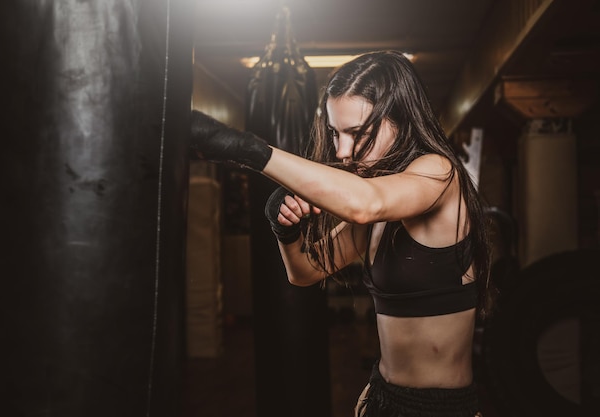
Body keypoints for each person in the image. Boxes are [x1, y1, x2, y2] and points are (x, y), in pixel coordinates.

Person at [190, 50, 494, 417]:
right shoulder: (375, 208)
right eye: (335, 133)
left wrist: (248, 151)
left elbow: (365, 203)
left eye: (357, 133)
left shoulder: (438, 174)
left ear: (400, 119)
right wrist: (285, 231)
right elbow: (304, 272)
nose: (343, 151)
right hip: (381, 399)